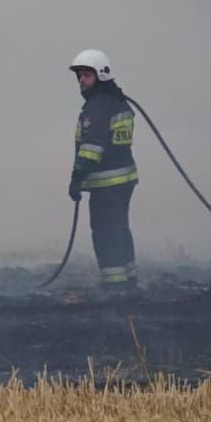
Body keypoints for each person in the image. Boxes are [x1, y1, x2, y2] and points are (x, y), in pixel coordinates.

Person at [67, 49, 138, 289]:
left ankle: (114, 285)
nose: (81, 80)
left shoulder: (97, 107)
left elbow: (92, 148)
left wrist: (77, 176)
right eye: (79, 76)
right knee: (119, 229)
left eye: (86, 75)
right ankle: (129, 279)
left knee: (106, 233)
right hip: (124, 181)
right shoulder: (119, 103)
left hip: (107, 185)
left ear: (101, 75)